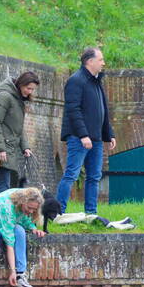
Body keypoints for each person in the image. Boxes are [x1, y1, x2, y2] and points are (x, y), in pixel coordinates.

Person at [55, 47, 116, 214]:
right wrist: (83, 135)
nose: (103, 63)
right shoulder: (76, 80)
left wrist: (109, 134)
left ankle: (91, 213)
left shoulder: (96, 81)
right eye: (100, 60)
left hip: (96, 139)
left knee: (94, 177)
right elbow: (73, 110)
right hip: (78, 138)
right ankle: (58, 212)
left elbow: (102, 111)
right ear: (90, 61)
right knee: (71, 175)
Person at [0, 71, 39, 209]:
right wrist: (0, 149)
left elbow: (17, 127)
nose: (30, 92)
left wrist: (25, 147)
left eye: (32, 89)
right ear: (21, 84)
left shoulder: (17, 99)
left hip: (7, 147)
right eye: (28, 88)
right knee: (3, 187)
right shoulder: (5, 96)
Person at [0, 187, 46, 287]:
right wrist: (12, 271)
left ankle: (20, 275)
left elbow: (22, 217)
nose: (31, 211)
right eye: (29, 208)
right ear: (23, 201)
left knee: (20, 230)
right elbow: (9, 243)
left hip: (2, 220)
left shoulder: (22, 198)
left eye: (34, 210)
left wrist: (34, 229)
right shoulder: (6, 207)